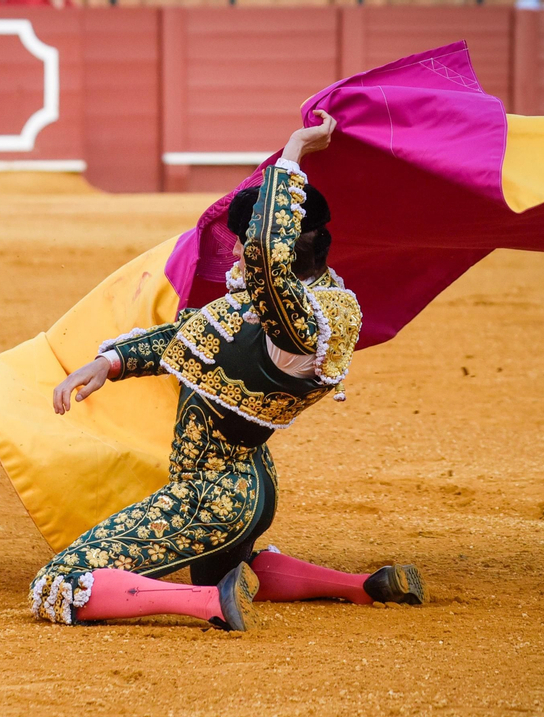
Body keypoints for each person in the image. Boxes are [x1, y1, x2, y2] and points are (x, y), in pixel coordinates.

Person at [27, 110, 423, 629]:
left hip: (210, 496)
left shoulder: (300, 325)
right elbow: (195, 333)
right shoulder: (296, 307)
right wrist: (111, 361)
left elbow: (263, 255)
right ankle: (363, 585)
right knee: (225, 566)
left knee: (58, 583)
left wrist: (294, 152)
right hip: (246, 486)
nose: (236, 249)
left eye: (242, 238)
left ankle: (213, 605)